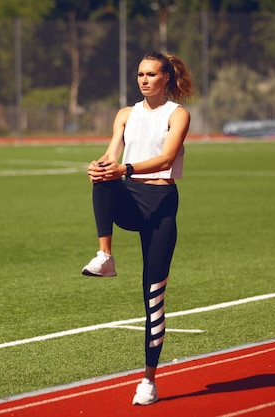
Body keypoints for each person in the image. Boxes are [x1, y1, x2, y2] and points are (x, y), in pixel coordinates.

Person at [81, 51, 193, 406]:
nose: (143, 80)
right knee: (102, 179)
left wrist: (123, 169)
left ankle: (148, 379)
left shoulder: (178, 115)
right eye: (140, 74)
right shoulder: (125, 114)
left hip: (160, 205)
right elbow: (111, 155)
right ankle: (105, 256)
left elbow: (166, 159)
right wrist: (99, 166)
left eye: (151, 74)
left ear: (166, 79)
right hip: (129, 198)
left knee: (153, 298)